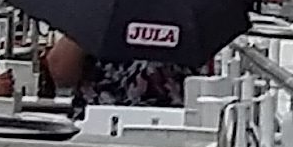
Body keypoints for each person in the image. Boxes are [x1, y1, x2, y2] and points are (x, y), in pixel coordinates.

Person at [42, 35, 190, 110]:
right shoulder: (101, 6)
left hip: (173, 128)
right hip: (98, 125)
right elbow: (61, 73)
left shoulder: (189, 7)